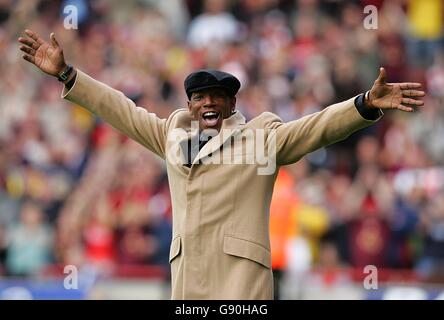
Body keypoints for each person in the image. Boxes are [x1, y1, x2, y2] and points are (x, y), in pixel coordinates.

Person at [17, 29, 425, 299]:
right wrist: (68, 74)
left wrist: (364, 105)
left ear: (232, 104)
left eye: (217, 96)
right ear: (190, 105)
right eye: (200, 96)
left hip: (241, 291)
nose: (208, 102)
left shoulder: (263, 137)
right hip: (187, 291)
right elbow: (121, 110)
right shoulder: (172, 135)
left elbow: (317, 128)